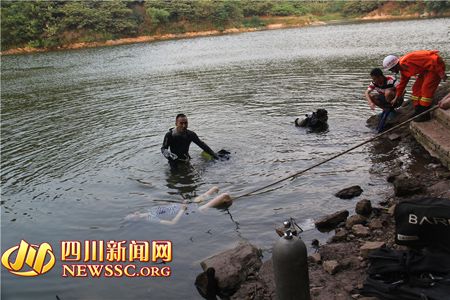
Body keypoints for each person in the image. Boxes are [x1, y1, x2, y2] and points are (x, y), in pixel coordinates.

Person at [383, 50, 447, 122]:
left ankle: (425, 114)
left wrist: (441, 72)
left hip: (436, 67)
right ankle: (418, 110)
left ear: (395, 66)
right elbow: (402, 84)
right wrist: (396, 98)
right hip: (426, 70)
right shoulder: (403, 69)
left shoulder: (409, 59)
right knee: (416, 88)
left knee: (426, 89)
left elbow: (433, 59)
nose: (392, 71)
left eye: (391, 69)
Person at [125, 187, 232, 225]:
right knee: (225, 195)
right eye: (133, 216)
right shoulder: (151, 219)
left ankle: (223, 203)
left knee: (214, 188)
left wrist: (180, 203)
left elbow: (165, 207)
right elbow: (172, 223)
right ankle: (224, 203)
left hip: (187, 205)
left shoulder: (149, 210)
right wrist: (181, 210)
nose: (135, 213)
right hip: (192, 212)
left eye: (132, 213)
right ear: (136, 219)